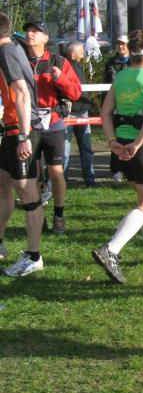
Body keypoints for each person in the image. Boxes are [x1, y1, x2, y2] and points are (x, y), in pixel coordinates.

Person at [92, 29, 143, 283]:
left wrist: (112, 142)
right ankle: (111, 249)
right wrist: (138, 143)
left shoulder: (121, 76)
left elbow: (105, 113)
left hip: (122, 145)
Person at [24, 21, 82, 234]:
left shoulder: (58, 61)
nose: (30, 34)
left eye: (35, 31)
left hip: (54, 123)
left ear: (45, 38)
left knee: (56, 172)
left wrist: (61, 79)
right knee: (33, 175)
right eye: (28, 30)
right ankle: (38, 215)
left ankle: (59, 214)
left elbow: (75, 93)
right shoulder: (20, 60)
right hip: (28, 124)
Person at [0, 12, 46, 276]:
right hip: (12, 129)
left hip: (22, 130)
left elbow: (22, 94)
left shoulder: (7, 51)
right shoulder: (10, 50)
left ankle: (34, 256)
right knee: (2, 183)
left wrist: (23, 136)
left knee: (27, 193)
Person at [63, 42, 96, 186]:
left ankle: (90, 179)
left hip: (83, 112)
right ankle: (62, 180)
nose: (83, 54)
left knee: (86, 148)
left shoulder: (78, 66)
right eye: (81, 51)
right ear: (72, 54)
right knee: (64, 150)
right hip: (70, 113)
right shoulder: (64, 67)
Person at [106, 34, 130, 182]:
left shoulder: (135, 62)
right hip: (115, 105)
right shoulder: (111, 62)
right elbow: (109, 83)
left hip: (131, 105)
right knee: (116, 138)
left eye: (124, 44)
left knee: (131, 137)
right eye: (119, 44)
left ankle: (130, 168)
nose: (121, 47)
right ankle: (116, 170)